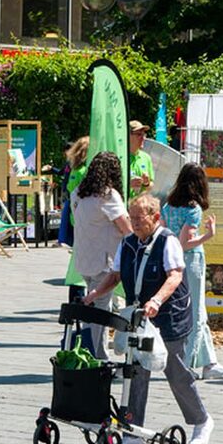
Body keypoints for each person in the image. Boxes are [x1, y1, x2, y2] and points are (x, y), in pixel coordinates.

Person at [82, 194, 214, 444]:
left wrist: (156, 301)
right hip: (140, 316)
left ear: (155, 218)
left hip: (169, 315)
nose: (133, 223)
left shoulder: (168, 241)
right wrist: (96, 293)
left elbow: (175, 276)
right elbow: (116, 274)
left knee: (174, 371)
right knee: (136, 370)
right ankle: (132, 431)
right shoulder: (129, 242)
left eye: (138, 219)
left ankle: (202, 420)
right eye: (131, 218)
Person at [162, 163, 223, 381]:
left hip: (171, 262)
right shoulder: (193, 209)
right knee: (196, 313)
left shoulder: (168, 205)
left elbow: (168, 236)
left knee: (191, 310)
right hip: (191, 262)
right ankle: (187, 364)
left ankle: (209, 363)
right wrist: (208, 236)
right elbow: (185, 242)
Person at [72, 151, 134, 358]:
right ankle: (97, 355)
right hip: (103, 260)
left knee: (93, 307)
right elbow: (128, 230)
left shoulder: (79, 193)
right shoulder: (108, 196)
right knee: (100, 311)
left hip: (83, 258)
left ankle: (94, 352)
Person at [62, 136, 90, 301]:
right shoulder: (83, 171)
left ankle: (77, 297)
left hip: (76, 220)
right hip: (83, 222)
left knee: (77, 262)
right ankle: (79, 298)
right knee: (81, 264)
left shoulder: (75, 169)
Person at [129, 120, 155, 199]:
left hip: (140, 206)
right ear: (128, 136)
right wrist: (128, 184)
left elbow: (151, 186)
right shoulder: (120, 157)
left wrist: (146, 183)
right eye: (139, 134)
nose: (143, 138)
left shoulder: (146, 157)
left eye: (144, 135)